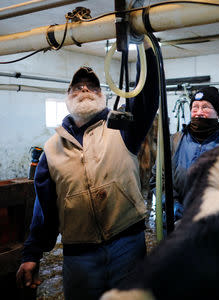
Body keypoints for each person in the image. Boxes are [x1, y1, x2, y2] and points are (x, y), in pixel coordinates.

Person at [16, 41, 159, 300]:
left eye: (92, 86)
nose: (85, 89)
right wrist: (32, 254)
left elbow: (146, 95)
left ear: (102, 94)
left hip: (127, 244)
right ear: (68, 97)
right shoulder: (51, 149)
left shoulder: (122, 126)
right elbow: (45, 208)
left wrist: (144, 45)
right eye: (78, 87)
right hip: (79, 255)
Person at [150, 86, 219, 223]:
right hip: (175, 225)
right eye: (195, 108)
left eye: (205, 107)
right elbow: (158, 179)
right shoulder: (174, 141)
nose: (199, 113)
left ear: (217, 113)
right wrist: (171, 203)